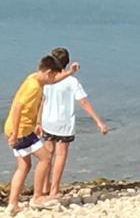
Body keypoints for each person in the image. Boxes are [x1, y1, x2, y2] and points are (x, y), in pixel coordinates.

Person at [4, 54, 79, 214]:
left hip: (15, 128)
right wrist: (15, 135)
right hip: (21, 130)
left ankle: (12, 203)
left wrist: (70, 72)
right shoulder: (33, 87)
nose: (52, 80)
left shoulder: (34, 77)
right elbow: (17, 107)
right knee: (45, 157)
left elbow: (54, 79)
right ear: (48, 72)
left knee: (23, 166)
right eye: (52, 75)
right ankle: (37, 197)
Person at [38, 47, 108, 199]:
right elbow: (84, 102)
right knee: (60, 155)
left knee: (47, 154)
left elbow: (41, 101)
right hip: (63, 123)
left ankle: (44, 186)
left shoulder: (47, 80)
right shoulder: (71, 81)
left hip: (47, 121)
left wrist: (37, 121)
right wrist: (99, 122)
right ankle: (54, 189)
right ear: (67, 62)